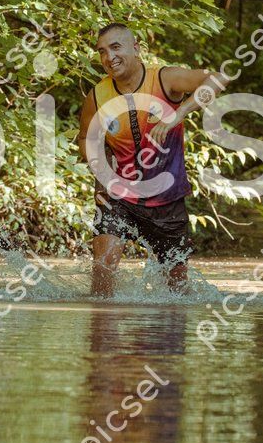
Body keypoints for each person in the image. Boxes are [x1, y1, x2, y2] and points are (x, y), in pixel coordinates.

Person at [78, 22, 222, 297]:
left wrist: (180, 113)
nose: (109, 57)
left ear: (136, 48)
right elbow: (86, 137)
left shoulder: (165, 79)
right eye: (102, 51)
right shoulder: (97, 97)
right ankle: (102, 318)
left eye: (116, 47)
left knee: (177, 293)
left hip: (167, 200)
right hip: (119, 197)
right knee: (103, 272)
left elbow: (217, 79)